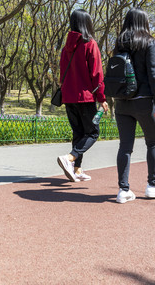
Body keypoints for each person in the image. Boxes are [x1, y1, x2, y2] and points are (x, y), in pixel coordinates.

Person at [112, 8, 155, 204]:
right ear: (144, 22)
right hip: (145, 101)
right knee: (153, 143)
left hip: (122, 102)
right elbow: (154, 73)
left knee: (125, 147)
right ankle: (152, 186)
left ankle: (123, 190)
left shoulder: (119, 42)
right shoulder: (149, 41)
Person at [56, 9, 109, 182]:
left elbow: (62, 72)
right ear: (87, 23)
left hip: (68, 97)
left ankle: (77, 170)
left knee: (78, 133)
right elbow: (96, 74)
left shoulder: (66, 48)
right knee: (93, 133)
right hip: (85, 97)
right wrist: (102, 98)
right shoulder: (90, 44)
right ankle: (70, 158)